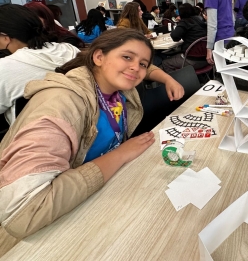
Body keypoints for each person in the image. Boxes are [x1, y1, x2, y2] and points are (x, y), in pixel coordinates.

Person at [0, 29, 184, 244]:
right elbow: (23, 214)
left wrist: (167, 78)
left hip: (102, 195)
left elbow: (143, 66)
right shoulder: (61, 104)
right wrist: (121, 154)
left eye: (142, 64)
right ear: (98, 57)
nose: (136, 68)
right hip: (50, 230)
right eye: (127, 57)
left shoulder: (115, 88)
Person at [0, 4, 80, 126]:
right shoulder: (70, 50)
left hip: (32, 137)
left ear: (5, 37)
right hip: (80, 123)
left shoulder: (5, 68)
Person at [161, 3, 208, 73]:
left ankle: (177, 82)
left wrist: (180, 25)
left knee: (165, 63)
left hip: (192, 60)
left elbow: (175, 36)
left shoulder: (185, 22)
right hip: (206, 59)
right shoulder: (200, 20)